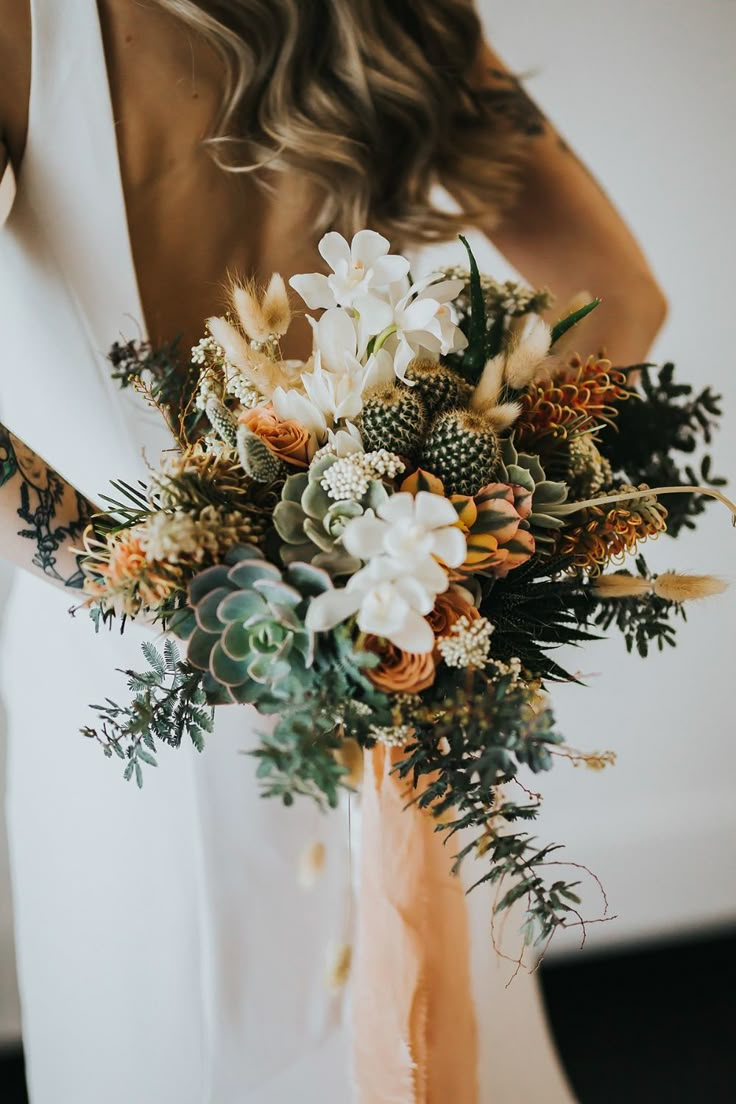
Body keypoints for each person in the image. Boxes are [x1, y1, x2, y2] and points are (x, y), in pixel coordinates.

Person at [0, 2, 667, 1102]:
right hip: (403, 644)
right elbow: (621, 296)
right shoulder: (396, 15)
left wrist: (159, 584)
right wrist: (447, 532)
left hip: (151, 690)